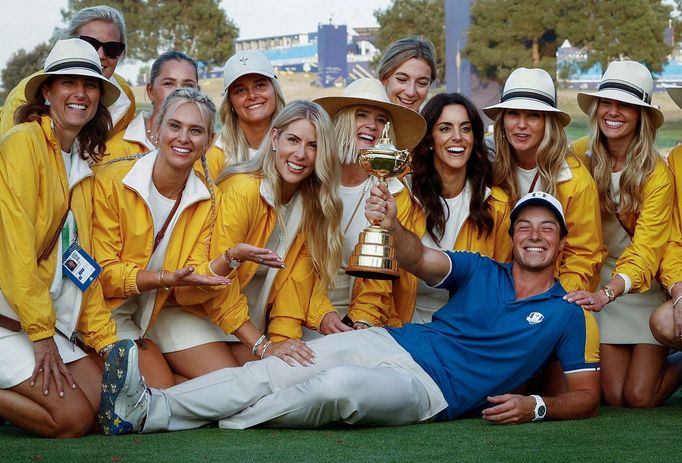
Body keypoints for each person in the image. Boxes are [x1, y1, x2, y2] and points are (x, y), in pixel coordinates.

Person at [96, 191, 600, 436]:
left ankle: (222, 418)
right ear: (512, 237)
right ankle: (147, 410)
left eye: (546, 228)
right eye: (525, 227)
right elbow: (417, 258)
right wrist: (395, 225)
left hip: (431, 393)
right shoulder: (480, 269)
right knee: (278, 367)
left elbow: (586, 395)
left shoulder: (567, 312)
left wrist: (537, 406)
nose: (534, 235)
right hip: (393, 341)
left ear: (562, 241)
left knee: (336, 388)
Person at [0, 38, 120, 438]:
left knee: (103, 404)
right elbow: (15, 250)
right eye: (67, 82)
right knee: (73, 420)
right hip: (10, 320)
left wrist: (106, 342)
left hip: (39, 320)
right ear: (47, 91)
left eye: (89, 85)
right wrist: (39, 334)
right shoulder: (22, 143)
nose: (80, 93)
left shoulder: (81, 159)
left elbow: (80, 262)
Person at [93, 87, 249, 388]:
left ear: (209, 142)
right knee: (161, 386)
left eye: (196, 130)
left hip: (151, 316)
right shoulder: (111, 180)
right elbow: (104, 273)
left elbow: (192, 272)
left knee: (226, 381)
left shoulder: (209, 199)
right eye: (174, 126)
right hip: (100, 313)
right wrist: (164, 278)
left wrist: (229, 258)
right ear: (155, 129)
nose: (183, 138)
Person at [564, 60, 676, 408]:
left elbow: (647, 249)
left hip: (640, 283)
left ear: (641, 115)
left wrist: (609, 293)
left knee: (639, 397)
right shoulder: (580, 152)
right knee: (612, 395)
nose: (613, 112)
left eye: (625, 105)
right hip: (600, 278)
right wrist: (598, 290)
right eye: (607, 103)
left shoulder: (657, 173)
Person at [196, 100, 343, 365]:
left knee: (283, 374)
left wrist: (283, 341)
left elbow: (293, 284)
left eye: (313, 146)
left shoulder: (309, 203)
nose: (300, 154)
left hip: (244, 322)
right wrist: (263, 346)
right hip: (199, 312)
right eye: (293, 140)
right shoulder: (243, 189)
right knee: (242, 388)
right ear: (275, 138)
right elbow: (215, 285)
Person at [311, 77, 426, 333]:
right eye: (361, 115)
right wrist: (322, 316)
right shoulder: (311, 184)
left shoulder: (396, 194)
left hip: (369, 321)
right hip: (303, 313)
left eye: (382, 120)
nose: (372, 126)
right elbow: (296, 267)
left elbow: (382, 276)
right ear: (343, 121)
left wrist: (362, 319)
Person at [390, 92, 512, 325]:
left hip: (467, 330)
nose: (457, 137)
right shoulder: (404, 194)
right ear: (429, 140)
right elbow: (382, 280)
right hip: (404, 325)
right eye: (445, 128)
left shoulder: (497, 204)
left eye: (465, 129)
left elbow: (501, 283)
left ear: (475, 138)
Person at [484, 67, 603, 294]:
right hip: (494, 292)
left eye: (533, 115)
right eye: (513, 114)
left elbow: (583, 256)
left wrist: (552, 300)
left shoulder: (576, 181)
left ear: (548, 122)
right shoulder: (486, 166)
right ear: (502, 120)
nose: (521, 124)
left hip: (552, 295)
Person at [0, 5, 135, 139]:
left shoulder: (125, 96)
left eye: (112, 48)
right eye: (90, 44)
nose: (100, 55)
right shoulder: (22, 96)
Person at [204, 50, 286, 180]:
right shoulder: (216, 152)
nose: (252, 95)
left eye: (260, 85)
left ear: (275, 90)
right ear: (230, 101)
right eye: (240, 90)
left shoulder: (298, 142)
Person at [104, 51, 199, 160]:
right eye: (169, 84)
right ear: (150, 91)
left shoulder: (208, 149)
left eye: (188, 85)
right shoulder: (114, 150)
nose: (179, 92)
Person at [376, 36, 436, 112]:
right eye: (402, 79)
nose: (411, 92)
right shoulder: (362, 123)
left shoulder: (433, 122)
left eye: (422, 83)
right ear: (384, 78)